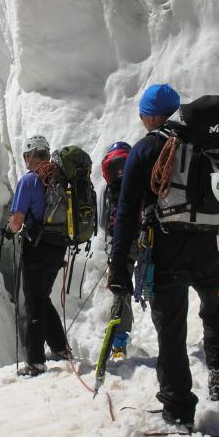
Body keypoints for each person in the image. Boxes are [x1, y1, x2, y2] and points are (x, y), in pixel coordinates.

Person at [109, 84, 219, 427]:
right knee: (215, 312)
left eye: (142, 115)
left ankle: (179, 408)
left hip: (166, 248)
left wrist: (119, 268)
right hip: (212, 244)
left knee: (171, 331)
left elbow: (126, 214)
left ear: (152, 115)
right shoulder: (213, 142)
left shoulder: (148, 148)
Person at [7, 135, 69, 377]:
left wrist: (9, 229)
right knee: (42, 296)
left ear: (29, 156)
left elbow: (17, 220)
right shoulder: (60, 180)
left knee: (33, 301)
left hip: (36, 247)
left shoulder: (29, 181)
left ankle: (35, 361)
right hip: (58, 246)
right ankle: (61, 348)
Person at [100, 141, 134, 358]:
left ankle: (118, 343)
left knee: (121, 293)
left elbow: (104, 222)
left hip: (121, 244)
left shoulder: (108, 188)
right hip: (146, 238)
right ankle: (167, 338)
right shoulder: (139, 179)